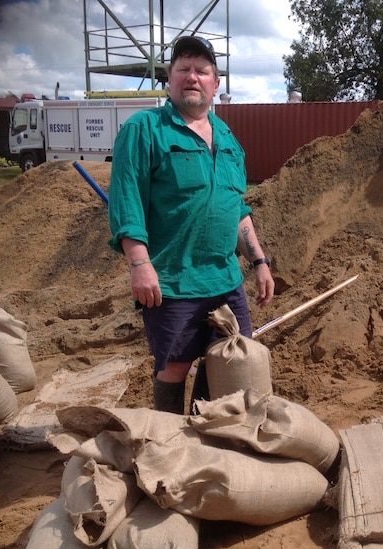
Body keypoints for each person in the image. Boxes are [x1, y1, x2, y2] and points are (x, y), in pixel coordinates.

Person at [108, 35, 275, 414]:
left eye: (202, 71)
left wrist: (259, 261)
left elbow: (236, 207)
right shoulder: (144, 129)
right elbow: (126, 201)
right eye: (183, 69)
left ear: (216, 84)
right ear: (170, 79)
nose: (192, 77)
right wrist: (139, 263)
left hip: (225, 280)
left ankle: (203, 430)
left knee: (228, 356)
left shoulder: (229, 140)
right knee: (175, 365)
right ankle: (168, 439)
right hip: (173, 280)